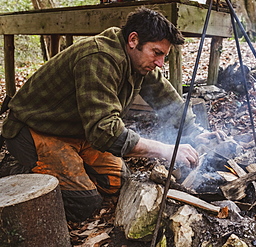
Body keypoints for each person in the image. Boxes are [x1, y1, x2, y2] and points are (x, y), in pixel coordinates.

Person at [1, 7, 217, 222]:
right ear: (133, 40)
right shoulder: (99, 57)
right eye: (157, 53)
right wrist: (165, 150)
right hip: (33, 130)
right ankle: (18, 171)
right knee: (84, 202)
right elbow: (105, 132)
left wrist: (194, 133)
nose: (160, 63)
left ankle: (72, 166)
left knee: (118, 181)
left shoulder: (138, 61)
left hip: (77, 132)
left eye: (164, 56)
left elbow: (168, 100)